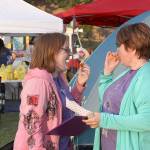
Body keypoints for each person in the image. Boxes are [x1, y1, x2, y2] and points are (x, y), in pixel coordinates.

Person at [13, 33, 90, 150]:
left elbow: (68, 107)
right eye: (66, 49)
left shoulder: (57, 78)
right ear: (52, 52)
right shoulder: (38, 82)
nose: (69, 54)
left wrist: (79, 85)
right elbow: (31, 124)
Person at [83, 23, 150, 150]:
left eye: (119, 45)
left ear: (131, 48)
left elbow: (147, 120)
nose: (117, 50)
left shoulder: (146, 76)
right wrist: (107, 74)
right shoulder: (128, 72)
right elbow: (107, 104)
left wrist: (104, 120)